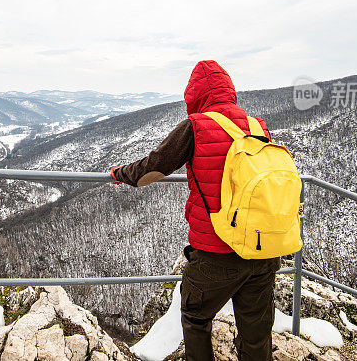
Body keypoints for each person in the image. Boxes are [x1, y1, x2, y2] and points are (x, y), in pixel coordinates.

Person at [110, 60, 280, 361]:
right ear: (229, 90)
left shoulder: (196, 126)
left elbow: (150, 171)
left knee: (195, 316)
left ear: (194, 95)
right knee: (256, 334)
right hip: (262, 249)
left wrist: (120, 173)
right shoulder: (257, 126)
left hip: (217, 251)